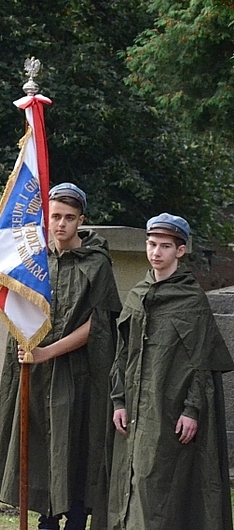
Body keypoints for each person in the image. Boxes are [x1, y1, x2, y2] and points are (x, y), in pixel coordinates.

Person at [0, 183, 121, 530]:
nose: (61, 224)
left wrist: (49, 351)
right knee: (42, 446)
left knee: (77, 443)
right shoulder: (33, 262)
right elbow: (17, 311)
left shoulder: (97, 265)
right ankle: (46, 517)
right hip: (38, 375)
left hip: (80, 373)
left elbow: (98, 325)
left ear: (81, 219)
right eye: (55, 217)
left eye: (69, 217)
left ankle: (76, 517)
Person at [108, 214, 233, 530]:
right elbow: (122, 354)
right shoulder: (137, 294)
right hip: (132, 408)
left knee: (159, 489)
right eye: (152, 244)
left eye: (165, 246)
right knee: (129, 483)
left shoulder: (192, 300)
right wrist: (119, 400)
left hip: (169, 409)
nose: (156, 252)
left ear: (181, 250)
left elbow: (203, 361)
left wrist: (192, 410)